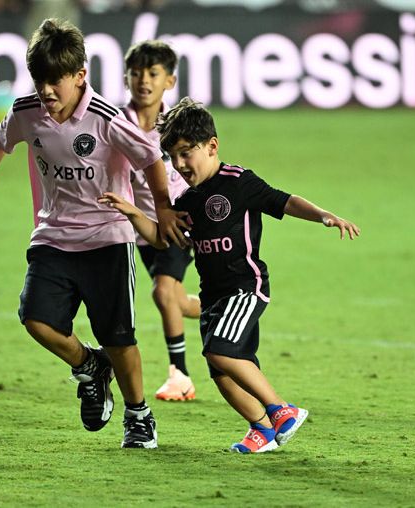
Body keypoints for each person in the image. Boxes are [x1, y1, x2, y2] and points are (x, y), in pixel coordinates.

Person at [0, 18, 186, 449]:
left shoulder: (107, 119)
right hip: (53, 235)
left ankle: (139, 415)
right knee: (36, 319)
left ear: (80, 76)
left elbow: (152, 156)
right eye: (40, 81)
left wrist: (164, 209)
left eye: (56, 81)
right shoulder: (27, 111)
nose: (47, 92)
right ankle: (89, 365)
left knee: (119, 337)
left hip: (108, 240)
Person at [99, 97, 360, 453]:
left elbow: (283, 200)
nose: (179, 164)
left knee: (220, 352)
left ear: (212, 146)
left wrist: (324, 215)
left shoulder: (239, 182)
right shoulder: (187, 201)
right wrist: (133, 214)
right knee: (222, 372)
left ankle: (282, 410)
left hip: (245, 288)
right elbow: (162, 239)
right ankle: (263, 430)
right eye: (173, 157)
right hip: (214, 297)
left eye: (186, 153)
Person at [122, 40, 201, 402]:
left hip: (180, 221)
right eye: (137, 73)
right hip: (142, 231)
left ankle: (179, 374)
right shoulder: (116, 124)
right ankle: (218, 304)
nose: (144, 81)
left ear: (169, 81)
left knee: (161, 291)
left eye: (153, 74)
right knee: (175, 300)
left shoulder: (177, 125)